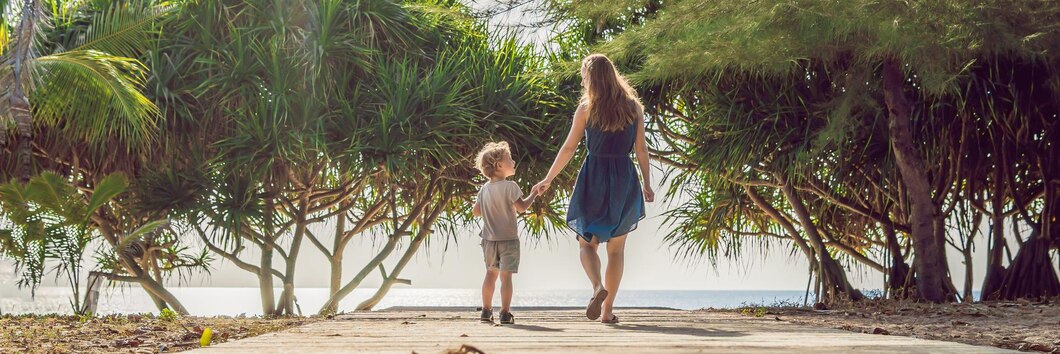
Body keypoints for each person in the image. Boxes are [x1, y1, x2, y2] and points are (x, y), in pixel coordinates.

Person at [532, 54, 654, 324]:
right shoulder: (634, 107)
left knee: (587, 244)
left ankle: (597, 287)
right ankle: (608, 310)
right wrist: (646, 182)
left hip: (594, 176)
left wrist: (548, 179)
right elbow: (641, 149)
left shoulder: (587, 108)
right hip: (624, 177)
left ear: (590, 78)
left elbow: (569, 147)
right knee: (617, 250)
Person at [473, 141, 538, 324]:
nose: (514, 161)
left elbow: (476, 211)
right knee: (506, 277)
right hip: (508, 239)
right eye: (509, 159)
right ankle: (504, 313)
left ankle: (486, 311)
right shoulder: (511, 186)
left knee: (490, 274)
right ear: (499, 165)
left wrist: (490, 208)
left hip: (488, 239)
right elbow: (522, 207)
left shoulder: (484, 189)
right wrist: (534, 193)